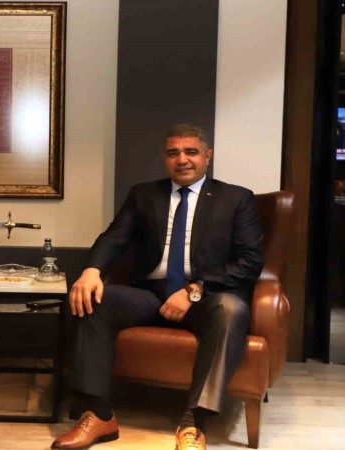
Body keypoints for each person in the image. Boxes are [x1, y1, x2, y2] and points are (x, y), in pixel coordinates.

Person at [51, 124, 264, 450]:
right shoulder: (144, 195)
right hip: (151, 295)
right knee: (94, 299)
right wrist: (91, 271)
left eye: (191, 152)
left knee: (231, 309)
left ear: (207, 156)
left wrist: (194, 291)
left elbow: (250, 261)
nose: (182, 159)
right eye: (173, 153)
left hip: (207, 297)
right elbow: (114, 237)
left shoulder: (235, 198)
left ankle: (194, 423)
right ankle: (99, 414)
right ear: (165, 158)